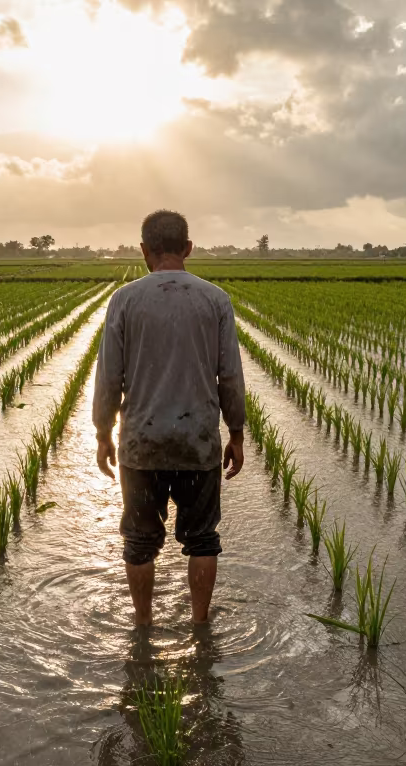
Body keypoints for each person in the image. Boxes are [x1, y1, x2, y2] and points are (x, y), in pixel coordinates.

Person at [92, 209, 246, 628]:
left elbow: (109, 375)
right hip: (198, 442)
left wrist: (103, 432)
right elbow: (229, 374)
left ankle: (143, 627)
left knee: (140, 542)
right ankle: (199, 628)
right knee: (202, 538)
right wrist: (236, 433)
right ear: (189, 249)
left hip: (142, 442)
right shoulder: (215, 300)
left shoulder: (125, 300)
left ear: (144, 251)